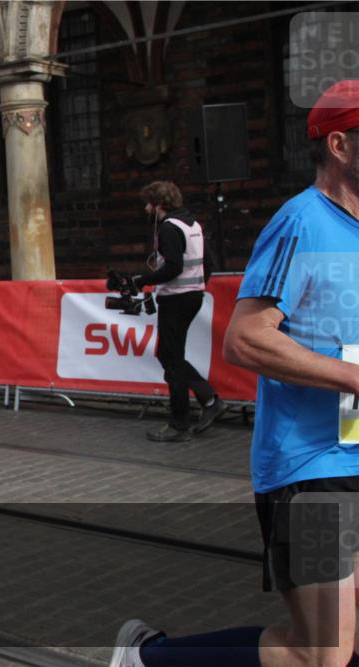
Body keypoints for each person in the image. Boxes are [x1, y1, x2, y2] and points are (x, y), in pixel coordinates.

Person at [111, 80, 359, 667]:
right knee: (321, 656)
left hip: (353, 453)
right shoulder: (301, 223)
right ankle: (147, 659)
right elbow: (245, 338)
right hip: (312, 467)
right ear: (340, 145)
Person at [131, 181, 224, 442]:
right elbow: (208, 263)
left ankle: (179, 424)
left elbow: (173, 267)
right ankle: (209, 399)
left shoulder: (169, 228)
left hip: (176, 299)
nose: (146, 209)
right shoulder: (192, 225)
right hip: (192, 297)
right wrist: (197, 285)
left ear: (159, 204)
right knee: (168, 354)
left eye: (149, 203)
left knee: (172, 361)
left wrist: (142, 280)